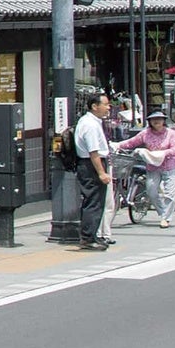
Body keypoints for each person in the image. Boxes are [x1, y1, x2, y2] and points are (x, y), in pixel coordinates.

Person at [69, 92, 114, 250]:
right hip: (91, 165)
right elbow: (93, 152)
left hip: (90, 163)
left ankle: (92, 235)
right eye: (105, 104)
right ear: (95, 106)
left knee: (95, 201)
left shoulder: (90, 121)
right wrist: (101, 173)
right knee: (93, 202)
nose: (109, 108)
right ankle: (88, 238)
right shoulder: (90, 125)